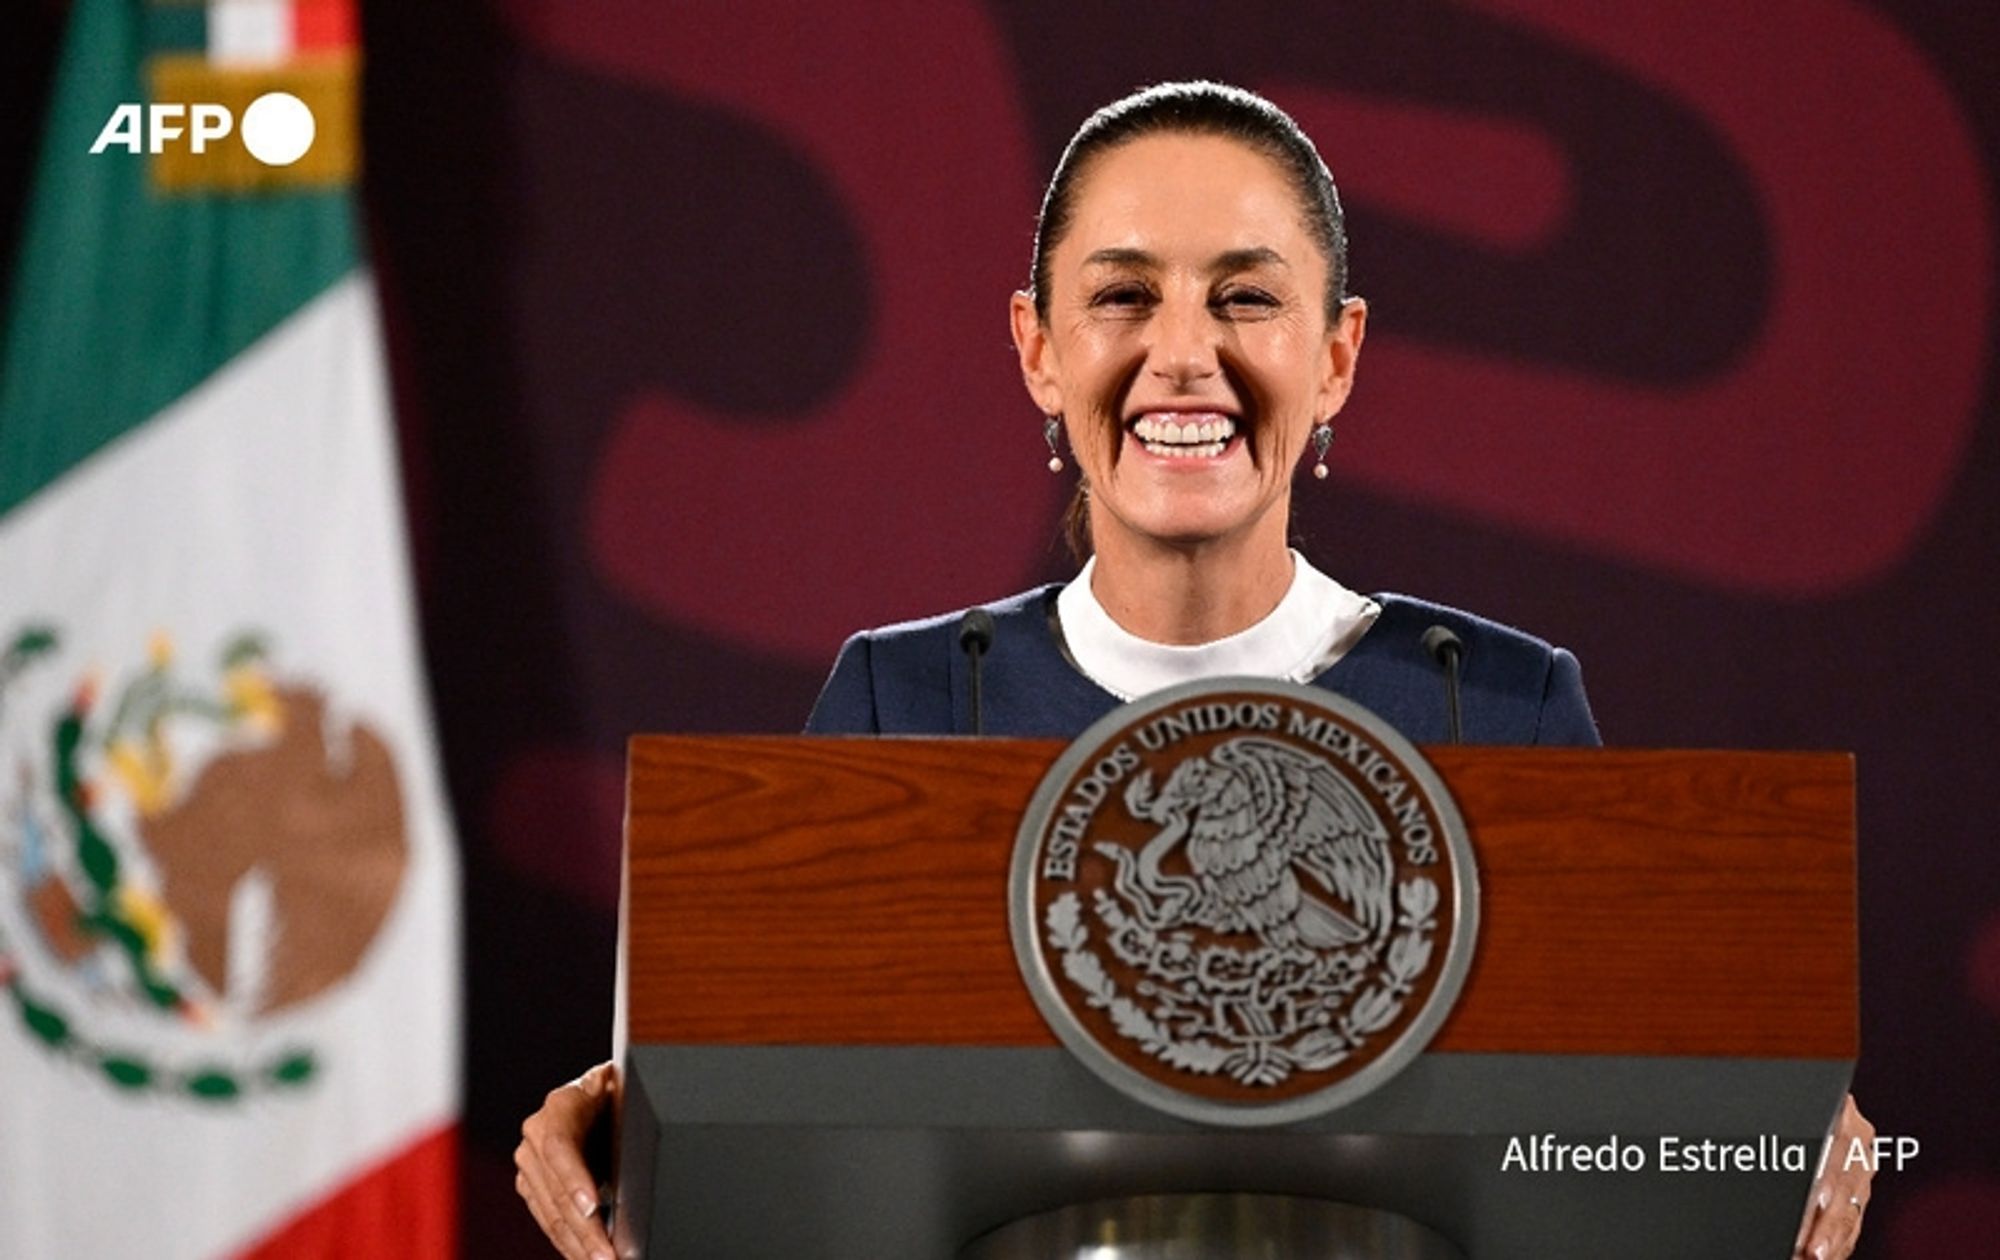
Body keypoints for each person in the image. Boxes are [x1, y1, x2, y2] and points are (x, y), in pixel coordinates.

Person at [514, 81, 1873, 1260]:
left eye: (1245, 297)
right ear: (1039, 350)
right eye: (1120, 296)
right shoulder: (904, 705)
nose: (1183, 354)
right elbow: (789, 1106)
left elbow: (1611, 1128)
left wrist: (1766, 1125)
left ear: (1336, 356)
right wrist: (643, 1109)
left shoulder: (1498, 705)